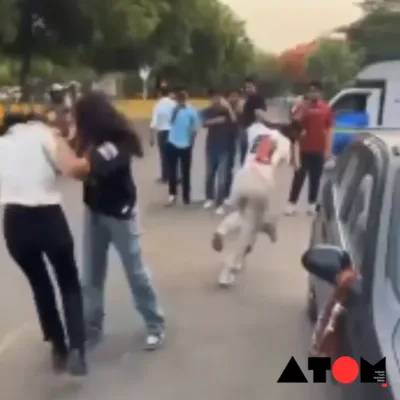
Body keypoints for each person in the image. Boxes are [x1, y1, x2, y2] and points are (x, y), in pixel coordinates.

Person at [74, 92, 166, 351]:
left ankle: (155, 324)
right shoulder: (88, 141)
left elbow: (91, 166)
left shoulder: (119, 141)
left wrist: (74, 151)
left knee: (135, 273)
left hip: (120, 214)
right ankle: (92, 327)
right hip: (94, 211)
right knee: (91, 275)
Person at [0, 112, 89, 375]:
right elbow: (75, 170)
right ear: (31, 122)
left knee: (40, 284)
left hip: (15, 221)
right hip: (48, 216)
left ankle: (58, 346)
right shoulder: (41, 133)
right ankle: (77, 348)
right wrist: (65, 141)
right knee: (69, 281)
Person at [211, 110, 292, 287]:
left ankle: (222, 230)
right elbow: (284, 164)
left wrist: (263, 117)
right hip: (262, 183)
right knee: (249, 227)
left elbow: (256, 114)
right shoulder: (285, 143)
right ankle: (228, 269)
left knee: (242, 214)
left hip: (242, 178)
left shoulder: (255, 131)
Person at [285, 80, 333, 216]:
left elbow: (329, 128)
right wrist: (303, 108)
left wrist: (328, 148)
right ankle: (291, 203)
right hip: (303, 148)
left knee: (315, 178)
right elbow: (294, 123)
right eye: (310, 90)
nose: (313, 93)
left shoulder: (326, 108)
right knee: (299, 176)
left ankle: (312, 203)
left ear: (320, 93)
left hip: (319, 148)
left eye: (315, 90)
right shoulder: (302, 107)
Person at [202, 89, 237, 214]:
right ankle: (209, 198)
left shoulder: (227, 112)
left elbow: (234, 121)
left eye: (219, 98)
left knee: (222, 178)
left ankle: (220, 203)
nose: (216, 101)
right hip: (211, 147)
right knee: (209, 174)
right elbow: (204, 123)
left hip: (225, 149)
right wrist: (218, 120)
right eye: (214, 98)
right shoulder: (207, 111)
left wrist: (228, 108)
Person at [166, 87, 201, 205]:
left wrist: (191, 141)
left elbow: (195, 127)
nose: (180, 101)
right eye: (179, 99)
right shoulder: (173, 109)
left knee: (186, 171)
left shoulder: (191, 110)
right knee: (172, 171)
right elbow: (170, 122)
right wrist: (175, 111)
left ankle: (186, 196)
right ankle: (172, 194)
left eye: (182, 98)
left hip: (186, 144)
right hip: (172, 142)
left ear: (186, 98)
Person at [150, 87, 176, 183]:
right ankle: (175, 176)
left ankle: (165, 177)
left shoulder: (157, 105)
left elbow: (154, 122)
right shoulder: (174, 104)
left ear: (160, 94)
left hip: (162, 133)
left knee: (164, 155)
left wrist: (151, 137)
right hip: (173, 132)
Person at [241, 77, 266, 164]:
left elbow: (261, 114)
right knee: (244, 157)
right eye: (246, 87)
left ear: (255, 87)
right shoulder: (246, 99)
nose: (248, 89)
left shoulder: (258, 98)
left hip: (254, 132)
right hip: (245, 130)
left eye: (250, 87)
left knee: (251, 158)